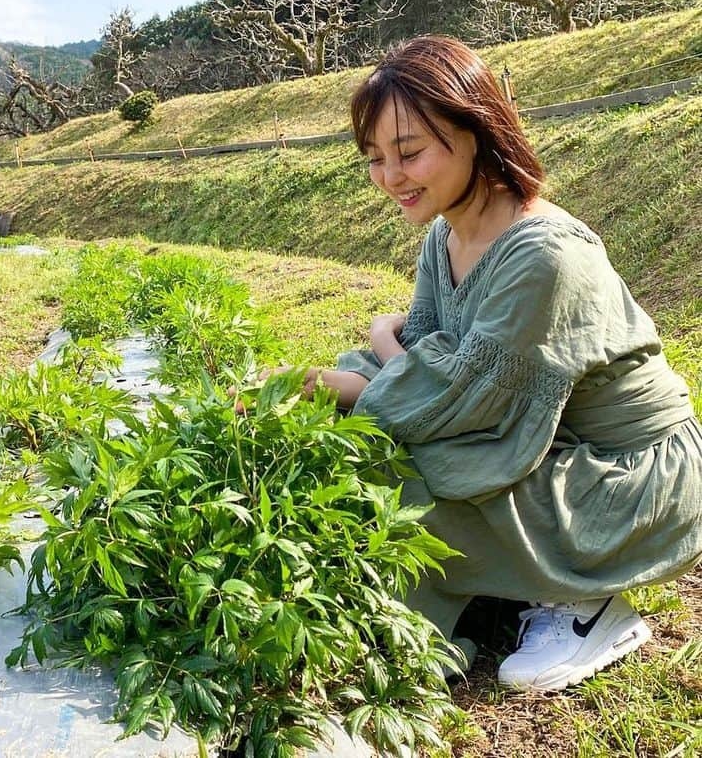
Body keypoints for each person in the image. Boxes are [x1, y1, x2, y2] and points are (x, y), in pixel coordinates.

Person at [284, 36, 702, 691]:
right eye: (374, 159)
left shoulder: (544, 255)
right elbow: (432, 364)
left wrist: (370, 361)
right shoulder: (444, 235)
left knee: (409, 472)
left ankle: (588, 604)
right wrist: (381, 368)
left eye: (410, 152)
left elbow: (457, 399)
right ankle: (502, 580)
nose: (391, 177)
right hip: (556, 440)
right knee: (378, 449)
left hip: (633, 480)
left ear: (475, 130)